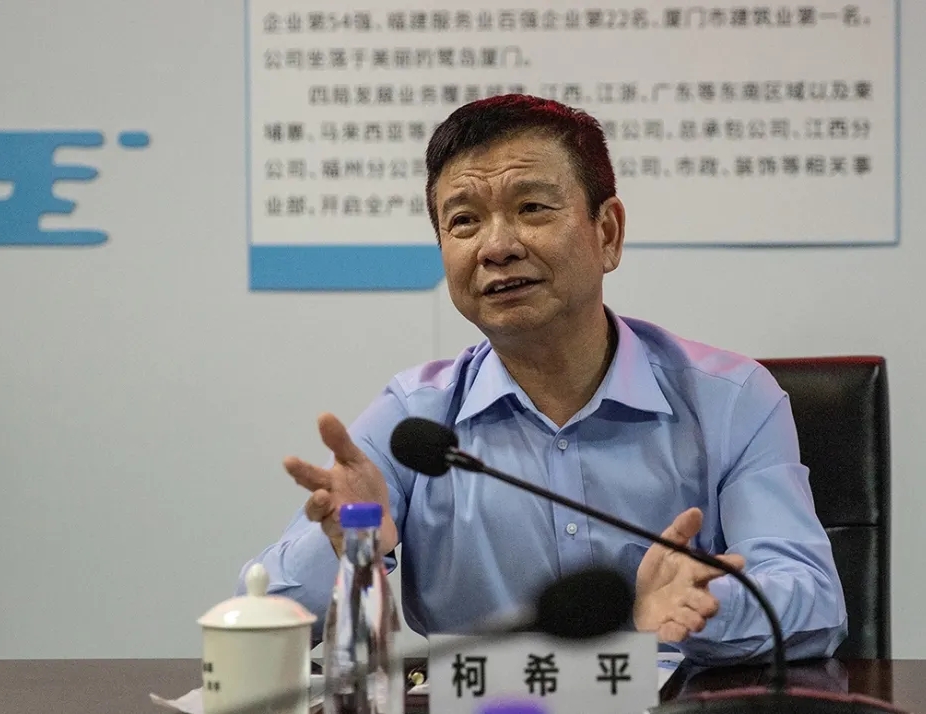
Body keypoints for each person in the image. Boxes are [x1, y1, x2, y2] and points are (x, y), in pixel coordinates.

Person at [237, 94, 847, 664]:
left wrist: (705, 608)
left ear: (607, 233)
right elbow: (267, 610)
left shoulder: (731, 400)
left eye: (531, 208)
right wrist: (349, 547)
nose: (497, 247)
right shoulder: (414, 421)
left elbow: (814, 602)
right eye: (464, 221)